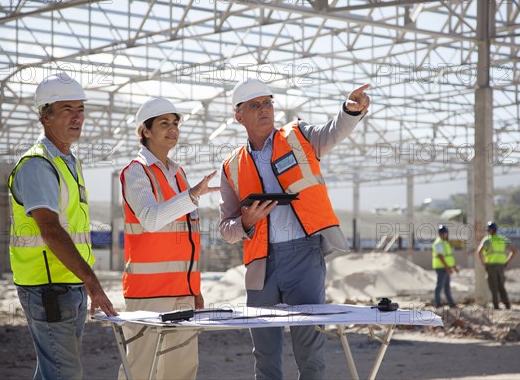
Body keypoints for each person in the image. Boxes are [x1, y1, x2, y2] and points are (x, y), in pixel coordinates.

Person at [219, 78, 370, 379]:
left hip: (304, 256)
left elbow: (333, 132)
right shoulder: (231, 166)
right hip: (261, 263)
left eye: (268, 103)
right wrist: (245, 223)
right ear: (239, 116)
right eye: (255, 105)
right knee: (264, 353)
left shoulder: (299, 136)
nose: (265, 110)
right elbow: (226, 228)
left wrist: (350, 111)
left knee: (310, 349)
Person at [8, 72, 118, 380]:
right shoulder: (38, 165)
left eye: (80, 109)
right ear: (45, 115)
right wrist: (93, 282)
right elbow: (51, 230)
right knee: (64, 373)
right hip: (48, 288)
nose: (77, 117)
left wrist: (84, 283)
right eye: (67, 109)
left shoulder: (69, 162)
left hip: (67, 285)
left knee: (53, 370)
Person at [118, 97, 219, 380]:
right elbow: (150, 219)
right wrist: (191, 196)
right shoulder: (136, 172)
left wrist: (193, 288)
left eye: (175, 123)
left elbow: (185, 237)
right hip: (149, 294)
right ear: (145, 131)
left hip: (182, 293)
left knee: (181, 370)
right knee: (140, 370)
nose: (172, 129)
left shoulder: (178, 173)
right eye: (164, 123)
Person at [477, 221, 518, 309]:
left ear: (490, 230)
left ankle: (496, 306)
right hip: (501, 266)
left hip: (491, 265)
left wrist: (483, 262)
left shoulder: (487, 240)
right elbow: (514, 251)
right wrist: (507, 261)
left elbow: (479, 252)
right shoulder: (503, 239)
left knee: (493, 286)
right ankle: (507, 305)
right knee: (501, 286)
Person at [432, 225, 458, 308]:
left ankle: (451, 303)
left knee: (447, 287)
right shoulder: (438, 243)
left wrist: (453, 267)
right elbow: (440, 256)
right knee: (439, 286)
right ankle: (438, 303)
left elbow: (448, 256)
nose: (445, 235)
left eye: (445, 233)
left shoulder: (445, 242)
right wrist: (447, 268)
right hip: (441, 267)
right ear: (440, 234)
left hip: (446, 267)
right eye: (443, 233)